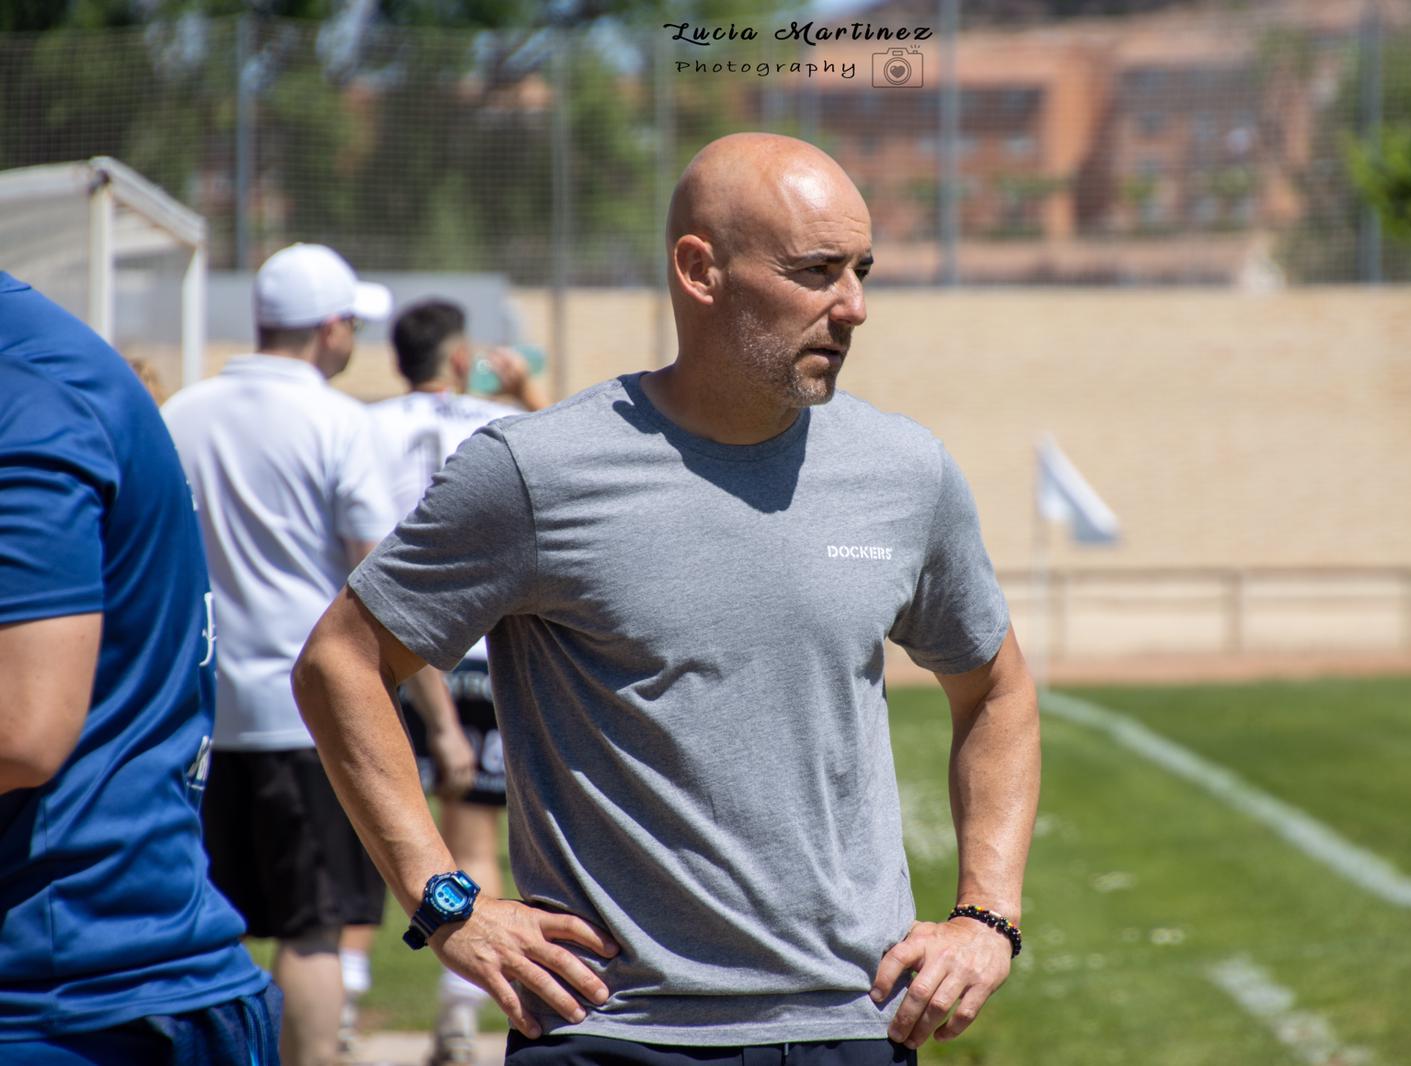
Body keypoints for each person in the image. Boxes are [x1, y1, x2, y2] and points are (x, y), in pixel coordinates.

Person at [293, 132, 1041, 1064]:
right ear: (701, 271)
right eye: (816, 271)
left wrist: (986, 915)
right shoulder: (535, 472)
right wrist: (445, 902)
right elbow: (342, 662)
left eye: (861, 270)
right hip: (611, 1033)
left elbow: (997, 691)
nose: (852, 306)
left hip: (855, 1026)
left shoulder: (905, 472)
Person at [0, 272, 281, 1062]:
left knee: (316, 922)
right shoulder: (76, 380)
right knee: (317, 925)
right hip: (240, 718)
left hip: (71, 996)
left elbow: (22, 728)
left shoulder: (30, 399)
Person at [162, 243, 399, 1066]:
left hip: (195, 716)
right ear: (331, 329)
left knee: (203, 926)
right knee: (313, 930)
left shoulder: (182, 412)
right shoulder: (338, 421)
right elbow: (380, 574)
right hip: (306, 718)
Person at [347, 298, 548, 1064]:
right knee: (473, 841)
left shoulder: (364, 422)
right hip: (480, 653)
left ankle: (350, 999)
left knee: (377, 832)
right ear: (460, 359)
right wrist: (522, 387)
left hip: (390, 650)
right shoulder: (502, 427)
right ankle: (462, 1014)